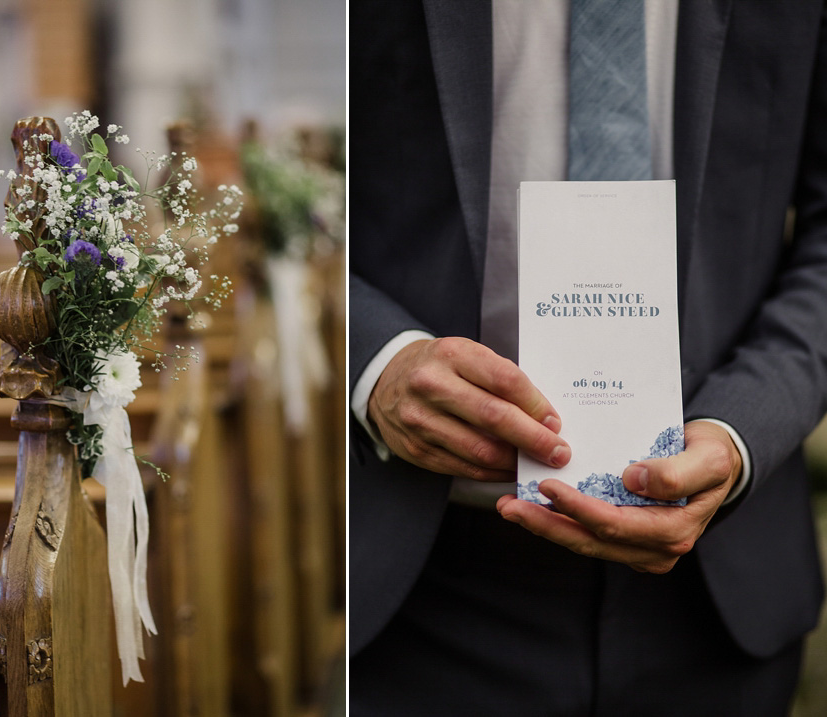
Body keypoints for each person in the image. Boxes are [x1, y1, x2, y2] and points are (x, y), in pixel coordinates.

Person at [349, 1, 827, 714]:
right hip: (425, 575)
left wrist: (742, 428)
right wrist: (375, 357)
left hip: (718, 598)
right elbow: (287, 186)